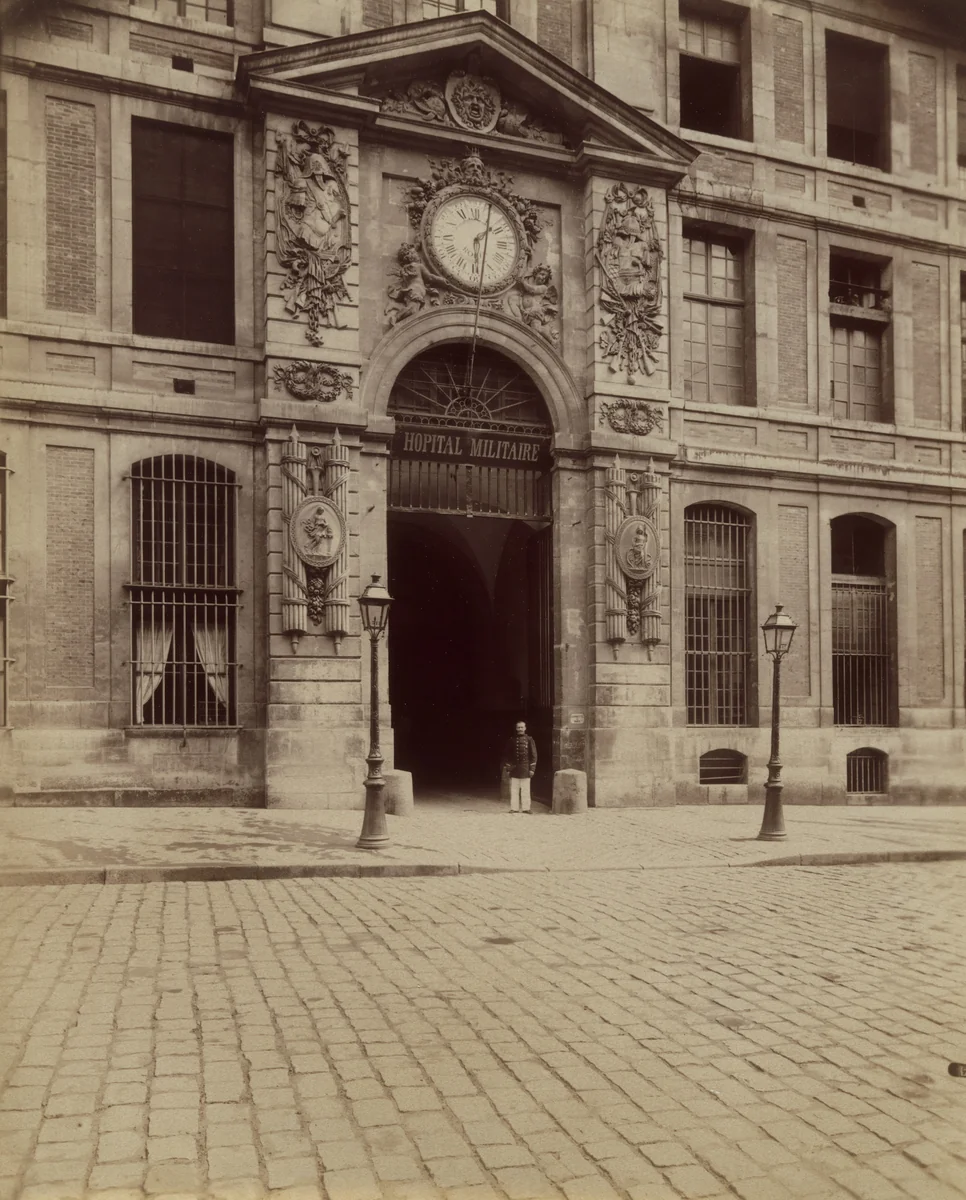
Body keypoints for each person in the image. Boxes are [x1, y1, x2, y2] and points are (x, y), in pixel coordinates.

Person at [502, 720, 537, 814]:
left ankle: (526, 808)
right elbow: (507, 756)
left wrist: (532, 769)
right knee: (514, 789)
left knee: (525, 789)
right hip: (515, 768)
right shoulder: (511, 740)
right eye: (518, 727)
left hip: (525, 768)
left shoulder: (530, 740)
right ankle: (514, 808)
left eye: (522, 727)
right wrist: (508, 768)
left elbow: (534, 755)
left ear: (525, 728)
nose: (520, 729)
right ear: (516, 729)